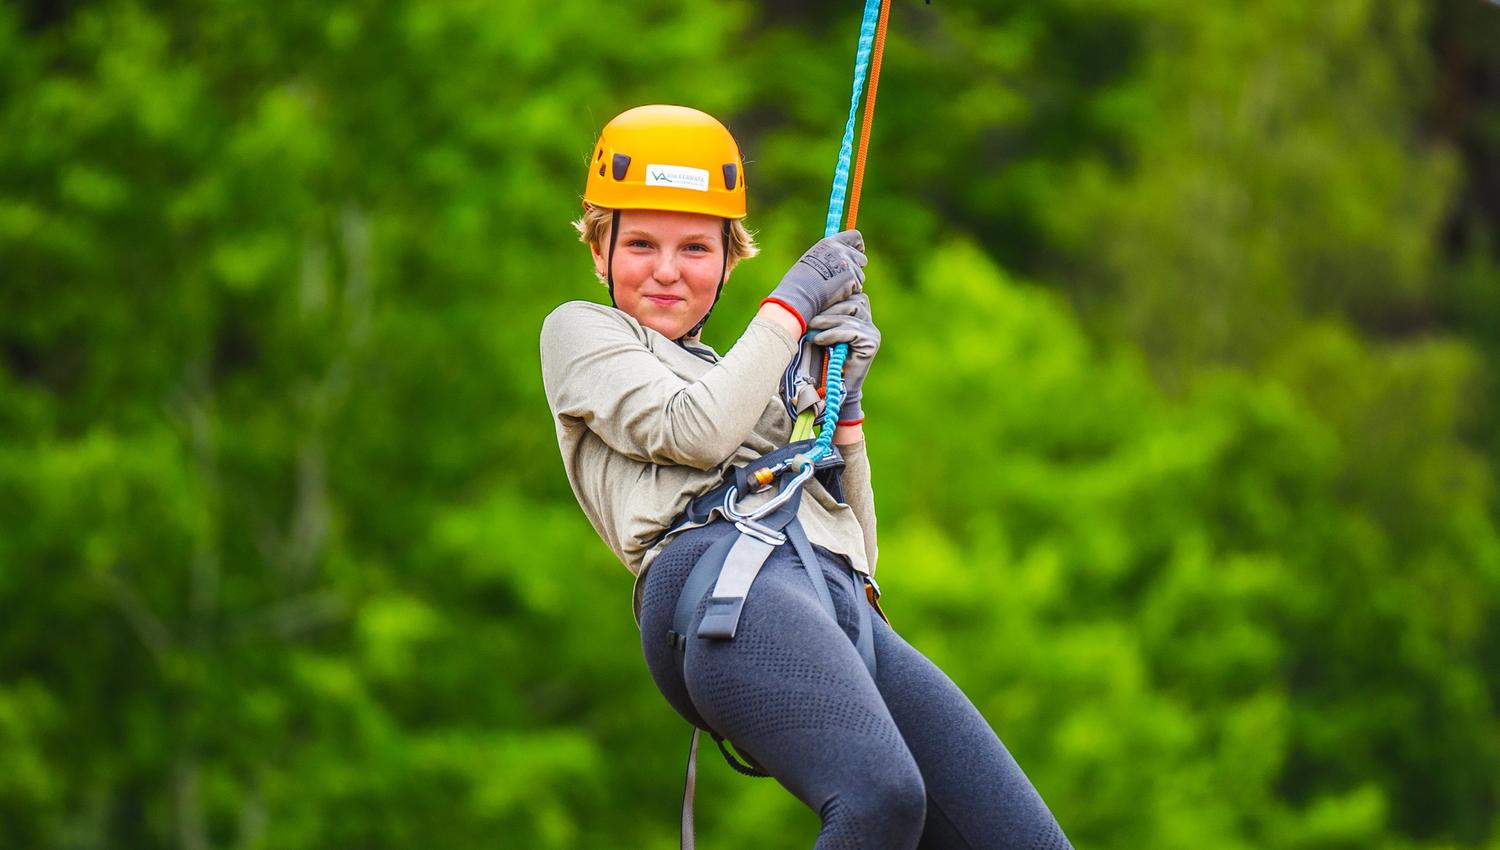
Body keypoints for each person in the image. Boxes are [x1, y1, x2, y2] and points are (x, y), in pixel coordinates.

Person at [540, 104, 1071, 849]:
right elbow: (693, 430)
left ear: (728, 260)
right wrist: (792, 303)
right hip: (716, 587)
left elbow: (856, 554)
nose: (666, 269)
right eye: (640, 244)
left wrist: (844, 411)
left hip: (820, 593)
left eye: (695, 247)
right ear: (600, 252)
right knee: (880, 797)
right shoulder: (582, 334)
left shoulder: (739, 378)